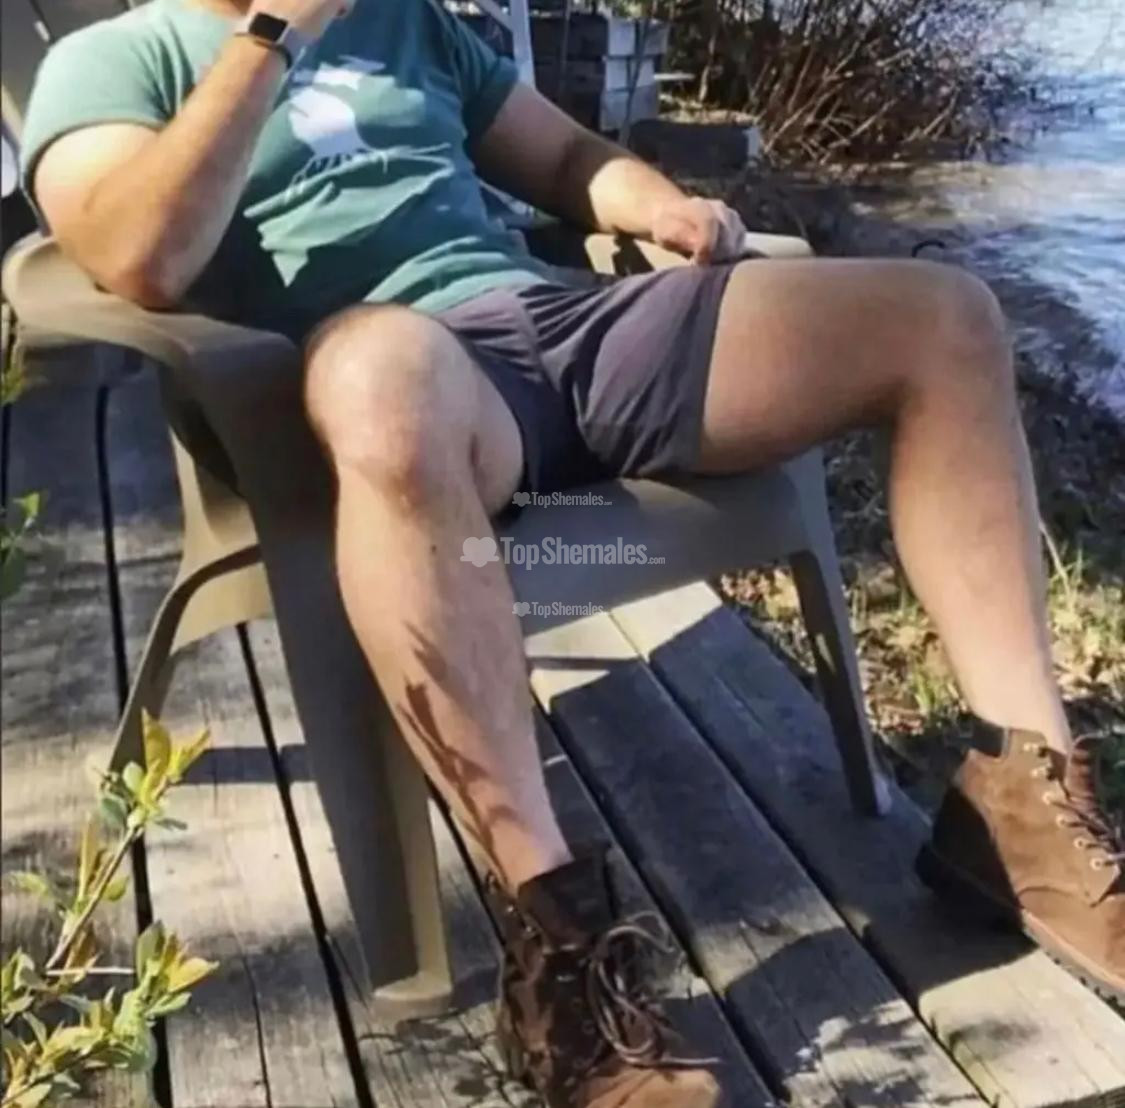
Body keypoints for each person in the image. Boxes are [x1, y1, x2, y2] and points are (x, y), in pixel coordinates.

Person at [20, 0, 1122, 1102]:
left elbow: (562, 158)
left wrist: (659, 205)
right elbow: (140, 254)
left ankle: (1021, 807)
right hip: (408, 389)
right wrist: (272, 35)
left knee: (945, 316)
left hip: (563, 325)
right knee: (377, 372)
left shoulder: (410, 25)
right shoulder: (114, 59)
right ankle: (560, 953)